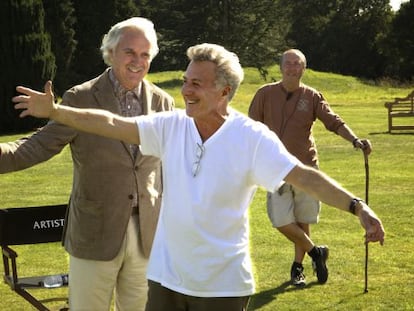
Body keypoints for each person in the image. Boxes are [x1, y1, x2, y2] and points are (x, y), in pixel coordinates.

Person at [13, 43, 385, 311]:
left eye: (196, 84)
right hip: (164, 282)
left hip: (221, 288)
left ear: (224, 92)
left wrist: (357, 206)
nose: (185, 91)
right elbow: (112, 123)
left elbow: (304, 176)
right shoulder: (172, 125)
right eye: (185, 81)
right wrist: (58, 112)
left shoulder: (251, 138)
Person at [1, 17, 174, 311]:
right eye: (129, 52)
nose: (138, 61)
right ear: (110, 52)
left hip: (149, 235)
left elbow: (169, 167)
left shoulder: (163, 102)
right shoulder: (80, 98)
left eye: (145, 54)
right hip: (95, 232)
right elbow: (32, 148)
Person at [248, 48, 372, 287]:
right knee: (280, 220)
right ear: (281, 67)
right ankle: (316, 252)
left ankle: (298, 268)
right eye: (288, 63)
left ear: (303, 68)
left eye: (297, 64)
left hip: (306, 168)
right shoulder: (265, 94)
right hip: (276, 168)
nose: (292, 68)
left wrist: (355, 140)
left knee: (302, 219)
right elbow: (251, 129)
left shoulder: (312, 96)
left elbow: (333, 122)